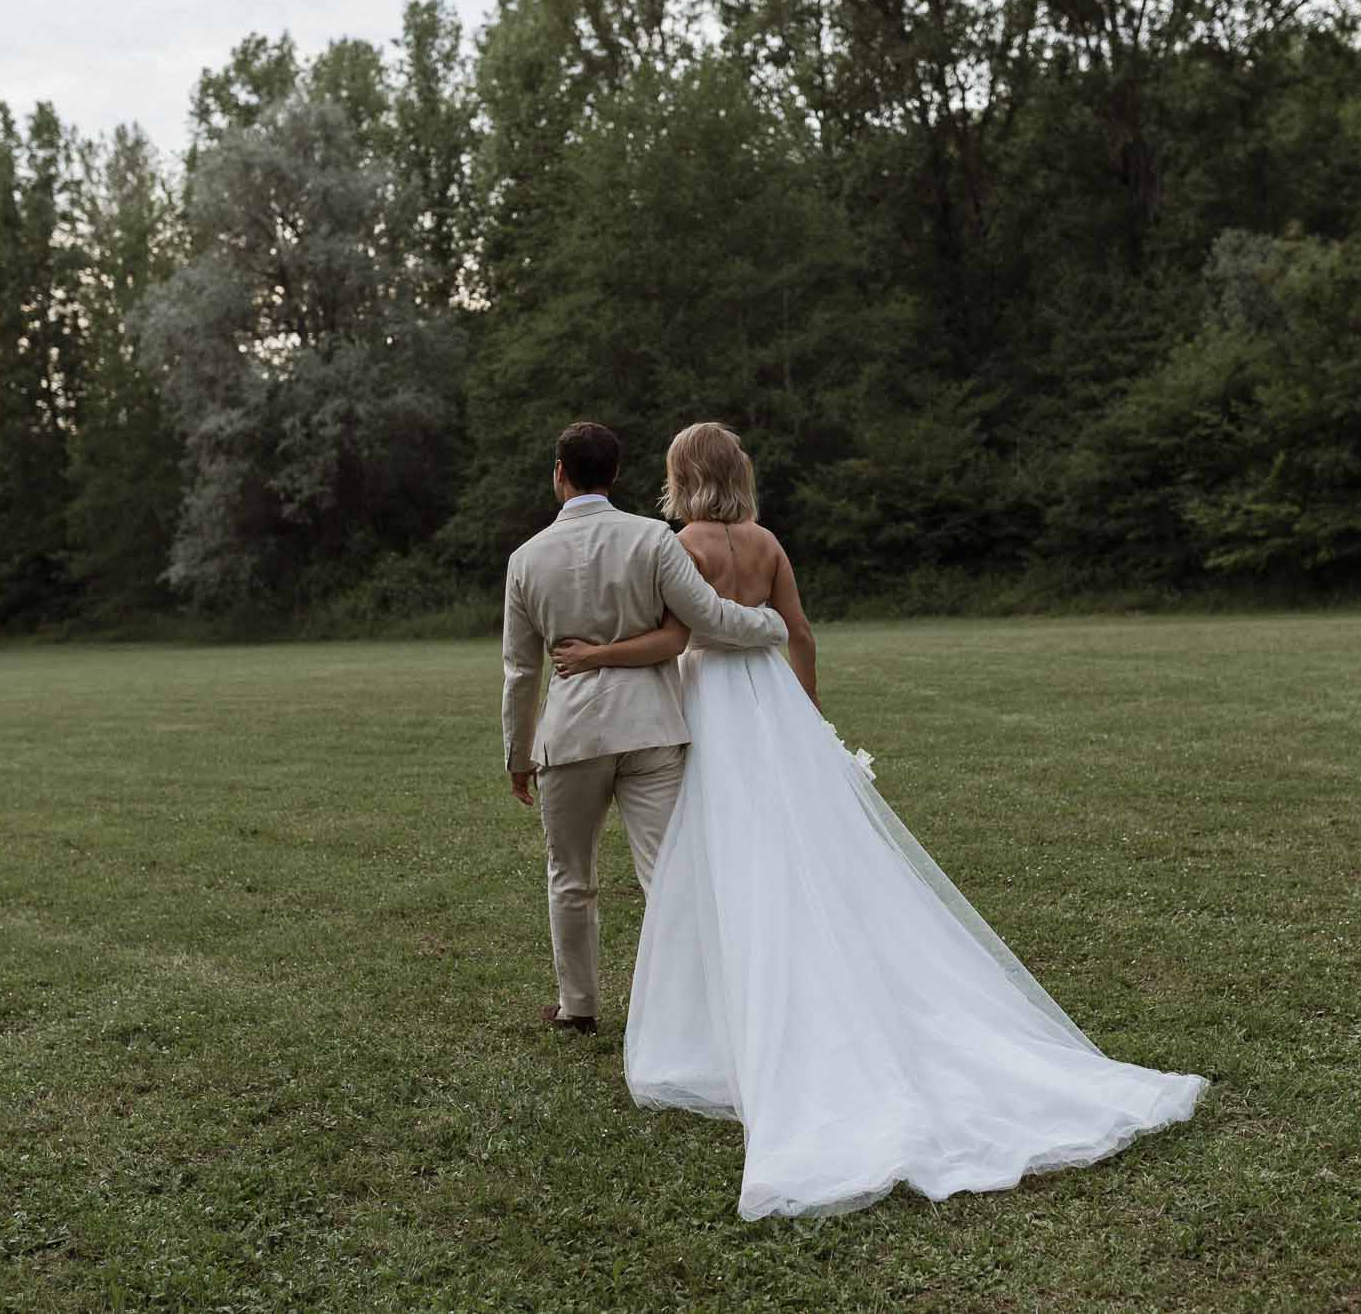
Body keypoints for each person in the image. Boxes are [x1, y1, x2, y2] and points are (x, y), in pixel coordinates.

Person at [550, 421, 1207, 1219]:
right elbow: (799, 632)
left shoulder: (680, 543)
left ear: (680, 476)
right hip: (773, 704)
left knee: (724, 862)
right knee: (804, 856)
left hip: (712, 709)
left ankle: (728, 1023)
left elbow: (681, 637)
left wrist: (594, 656)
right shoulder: (767, 542)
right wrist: (807, 719)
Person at [501, 421, 788, 1035]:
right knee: (667, 874)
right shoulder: (653, 539)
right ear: (615, 475)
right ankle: (695, 1007)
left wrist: (517, 753)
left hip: (571, 734)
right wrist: (773, 626)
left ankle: (578, 1008)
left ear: (559, 473)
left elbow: (522, 672)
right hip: (653, 727)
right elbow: (709, 617)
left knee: (570, 877)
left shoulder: (525, 559)